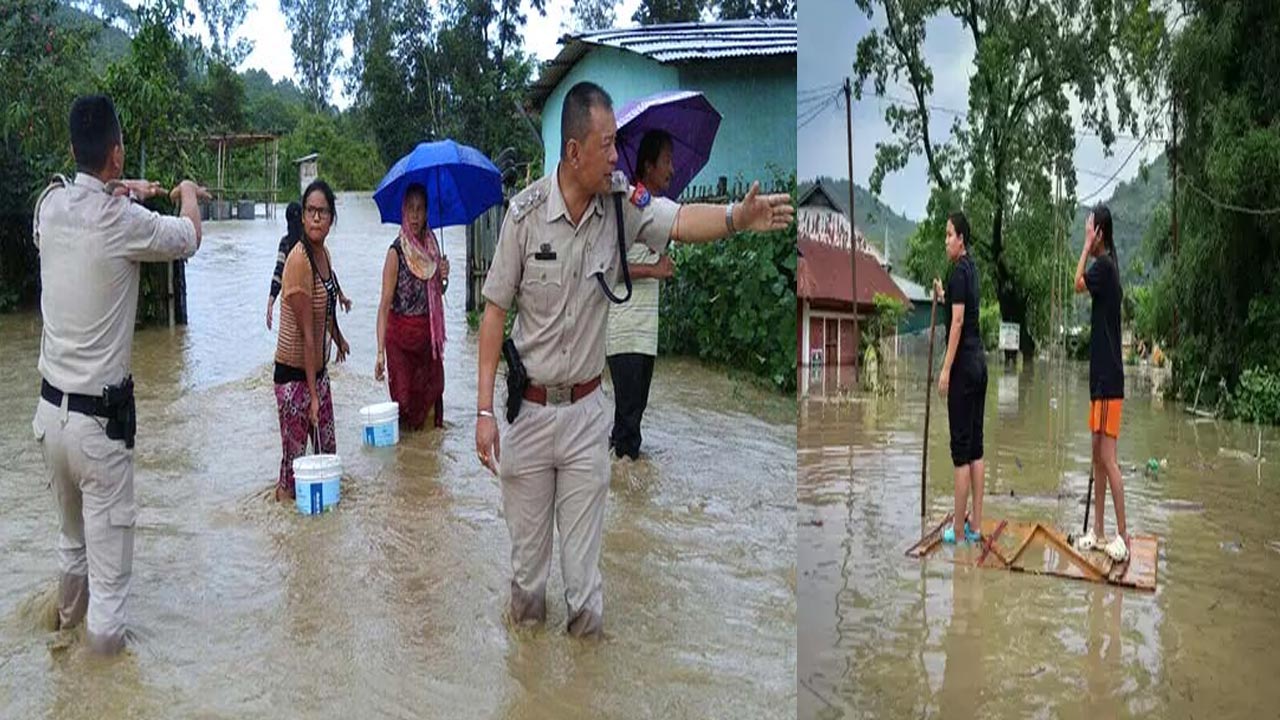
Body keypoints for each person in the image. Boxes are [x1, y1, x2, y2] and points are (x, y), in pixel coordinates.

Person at [474, 81, 794, 636]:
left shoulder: (623, 204)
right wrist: (483, 412)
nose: (614, 156)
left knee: (585, 591)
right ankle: (526, 672)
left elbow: (678, 221)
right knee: (527, 585)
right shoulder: (524, 217)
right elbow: (494, 313)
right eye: (605, 144)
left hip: (585, 417)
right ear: (573, 151)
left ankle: (582, 676)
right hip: (529, 417)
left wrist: (736, 218)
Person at [31, 94, 209, 654]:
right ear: (116, 153)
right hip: (99, 432)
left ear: (72, 150)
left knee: (72, 549)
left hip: (49, 419)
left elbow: (83, 201)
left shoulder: (48, 207)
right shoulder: (124, 222)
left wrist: (121, 186)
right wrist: (186, 194)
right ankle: (103, 687)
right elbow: (189, 237)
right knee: (110, 602)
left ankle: (61, 656)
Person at [272, 179, 350, 502]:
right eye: (311, 211)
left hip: (317, 373)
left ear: (331, 219)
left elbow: (325, 309)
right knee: (294, 470)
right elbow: (306, 334)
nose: (317, 217)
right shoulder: (299, 261)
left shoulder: (323, 255)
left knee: (328, 456)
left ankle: (321, 525)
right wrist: (313, 398)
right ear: (303, 217)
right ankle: (283, 518)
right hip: (293, 378)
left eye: (323, 212)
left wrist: (339, 339)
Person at [606, 129, 676, 459]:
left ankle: (620, 480)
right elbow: (611, 270)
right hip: (625, 332)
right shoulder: (629, 206)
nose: (672, 169)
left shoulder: (651, 209)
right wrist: (654, 270)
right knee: (628, 427)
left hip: (644, 334)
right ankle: (620, 484)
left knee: (630, 421)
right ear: (648, 166)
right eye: (667, 161)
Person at [1073, 204, 1128, 562]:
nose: (1087, 237)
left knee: (1108, 458)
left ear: (1100, 235)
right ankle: (1099, 531)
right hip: (1099, 380)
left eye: (1090, 231)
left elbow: (1077, 283)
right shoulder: (1107, 268)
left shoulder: (1105, 267)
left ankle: (1123, 535)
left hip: (1108, 379)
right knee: (1097, 455)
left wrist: (1084, 247)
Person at [374, 183, 451, 430]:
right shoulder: (396, 252)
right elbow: (384, 306)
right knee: (404, 405)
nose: (415, 216)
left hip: (427, 340)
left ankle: (428, 450)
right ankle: (406, 452)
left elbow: (436, 294)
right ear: (403, 212)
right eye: (410, 209)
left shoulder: (432, 249)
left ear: (427, 212)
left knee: (432, 396)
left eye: (420, 209)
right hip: (400, 342)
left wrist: (443, 276)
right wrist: (379, 352)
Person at [932, 211, 987, 545]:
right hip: (980, 363)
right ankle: (975, 526)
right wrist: (943, 295)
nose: (946, 240)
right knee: (976, 448)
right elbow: (959, 306)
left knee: (960, 451)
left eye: (950, 234)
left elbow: (956, 322)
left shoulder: (958, 273)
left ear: (962, 238)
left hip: (964, 367)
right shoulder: (971, 270)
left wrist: (945, 368)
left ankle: (957, 529)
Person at [268, 201, 350, 329]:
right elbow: (328, 274)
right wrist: (340, 294)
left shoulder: (286, 243)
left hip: (293, 304)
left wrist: (271, 300)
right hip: (314, 299)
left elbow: (278, 271)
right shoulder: (310, 242)